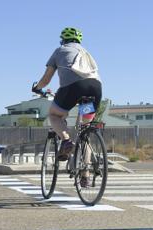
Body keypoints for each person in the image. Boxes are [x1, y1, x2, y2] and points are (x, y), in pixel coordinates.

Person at [32, 27, 102, 163]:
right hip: (95, 88)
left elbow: (46, 80)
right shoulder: (86, 53)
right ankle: (85, 175)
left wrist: (37, 88)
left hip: (74, 88)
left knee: (54, 115)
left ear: (63, 40)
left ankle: (66, 141)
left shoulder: (60, 50)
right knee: (85, 131)